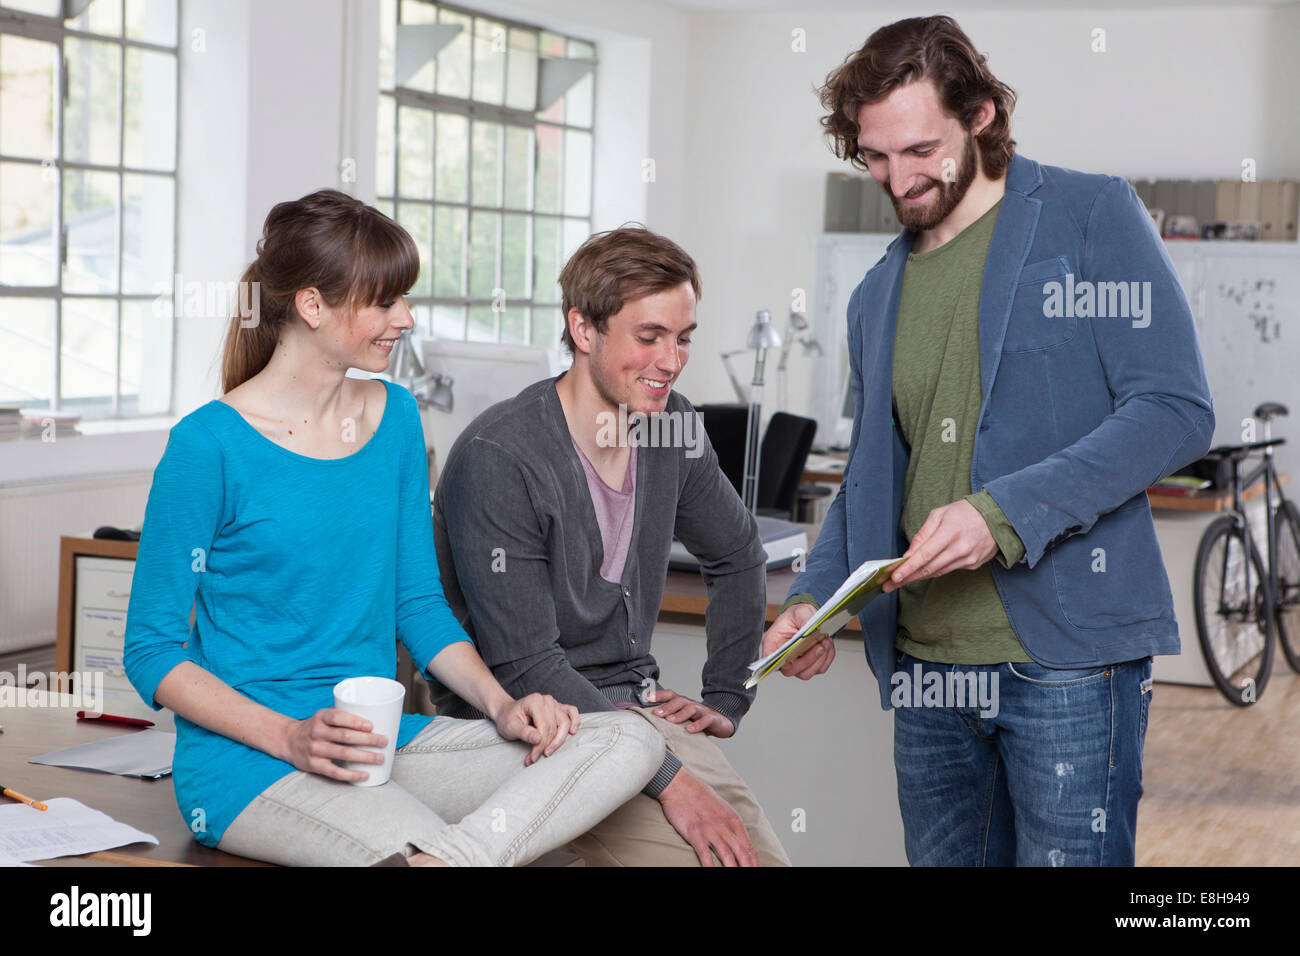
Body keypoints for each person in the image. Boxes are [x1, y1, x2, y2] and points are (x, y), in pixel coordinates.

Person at [762, 15, 1214, 866]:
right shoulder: (875, 294)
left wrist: (1000, 513)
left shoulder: (1089, 215)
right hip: (930, 669)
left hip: (1070, 665)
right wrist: (813, 603)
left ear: (978, 115)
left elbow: (1175, 409)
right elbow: (872, 472)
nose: (899, 178)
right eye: (876, 157)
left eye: (921, 149)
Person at [123, 189, 665, 867]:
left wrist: (501, 705)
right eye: (385, 301)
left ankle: (446, 860)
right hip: (253, 767)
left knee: (627, 741)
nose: (404, 319)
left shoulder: (395, 419)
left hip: (384, 746)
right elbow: (151, 649)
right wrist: (291, 737)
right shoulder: (208, 446)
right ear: (313, 306)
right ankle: (446, 856)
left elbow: (417, 604)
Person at [430, 225, 790, 867]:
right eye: (648, 337)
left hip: (636, 715)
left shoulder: (671, 427)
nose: (671, 360)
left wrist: (727, 697)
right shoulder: (501, 457)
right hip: (528, 729)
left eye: (682, 339)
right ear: (584, 329)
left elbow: (739, 556)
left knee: (760, 859)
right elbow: (526, 665)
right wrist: (670, 778)